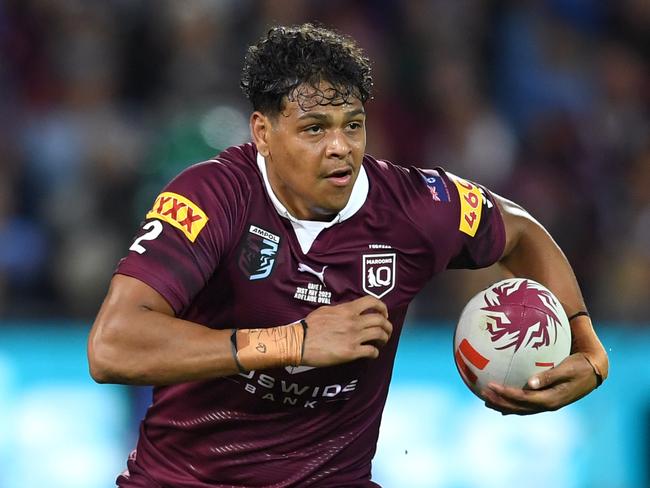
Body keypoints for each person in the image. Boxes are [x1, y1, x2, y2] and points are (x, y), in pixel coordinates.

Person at [88, 24, 609, 487]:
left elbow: (521, 232)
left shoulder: (415, 207)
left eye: (352, 124)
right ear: (263, 133)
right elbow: (112, 347)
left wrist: (588, 346)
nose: (340, 147)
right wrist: (295, 342)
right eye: (315, 128)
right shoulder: (212, 196)